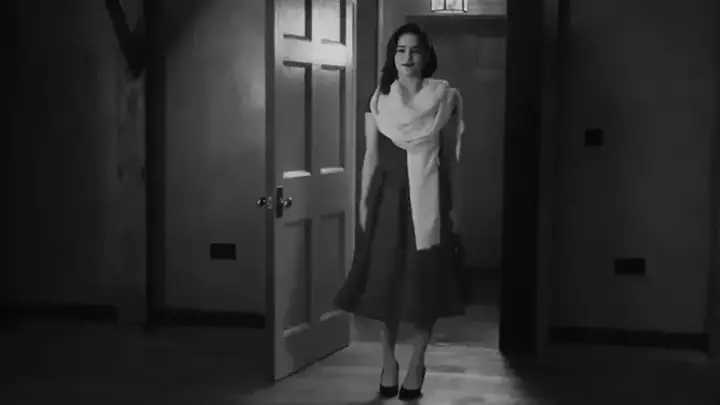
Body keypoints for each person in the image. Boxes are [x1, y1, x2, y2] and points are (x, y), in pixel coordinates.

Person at [334, 22, 466, 401]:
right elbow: (371, 156)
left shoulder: (446, 98)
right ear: (393, 56)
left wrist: (457, 208)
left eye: (415, 50)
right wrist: (362, 202)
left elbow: (453, 158)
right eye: (401, 50)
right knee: (385, 283)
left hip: (430, 200)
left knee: (425, 284)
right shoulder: (379, 101)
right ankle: (387, 361)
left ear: (427, 56)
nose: (408, 57)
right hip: (386, 200)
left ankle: (417, 361)